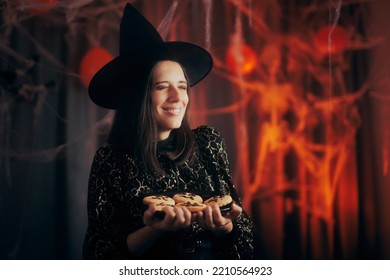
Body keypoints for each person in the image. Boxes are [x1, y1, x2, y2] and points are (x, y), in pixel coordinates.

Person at [83, 3, 255, 260]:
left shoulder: (208, 142)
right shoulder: (111, 161)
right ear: (138, 95)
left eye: (182, 86)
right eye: (163, 87)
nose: (178, 97)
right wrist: (154, 230)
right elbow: (99, 255)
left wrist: (224, 226)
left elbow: (246, 240)